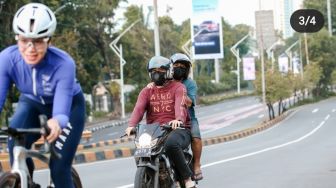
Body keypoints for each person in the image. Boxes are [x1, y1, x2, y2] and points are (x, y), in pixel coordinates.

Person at [0, 3, 85, 188]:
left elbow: (61, 110)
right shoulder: (6, 59)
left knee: (59, 168)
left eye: (38, 41)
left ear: (49, 41)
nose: (30, 48)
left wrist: (57, 121)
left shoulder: (64, 63)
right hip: (31, 103)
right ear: (17, 39)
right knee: (15, 148)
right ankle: (25, 181)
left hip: (69, 108)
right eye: (24, 40)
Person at [125, 56, 196, 188]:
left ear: (168, 71)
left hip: (177, 129)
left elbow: (180, 105)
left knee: (171, 144)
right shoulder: (146, 91)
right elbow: (139, 109)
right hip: (154, 131)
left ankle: (186, 179)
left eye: (161, 70)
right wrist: (131, 125)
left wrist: (178, 120)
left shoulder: (178, 87)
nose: (157, 73)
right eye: (154, 70)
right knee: (140, 149)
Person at [170, 53, 203, 181]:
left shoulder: (190, 83)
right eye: (176, 65)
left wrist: (179, 93)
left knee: (196, 138)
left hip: (188, 118)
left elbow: (190, 102)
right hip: (168, 118)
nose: (179, 68)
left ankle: (196, 165)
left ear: (187, 69)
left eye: (182, 66)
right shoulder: (165, 82)